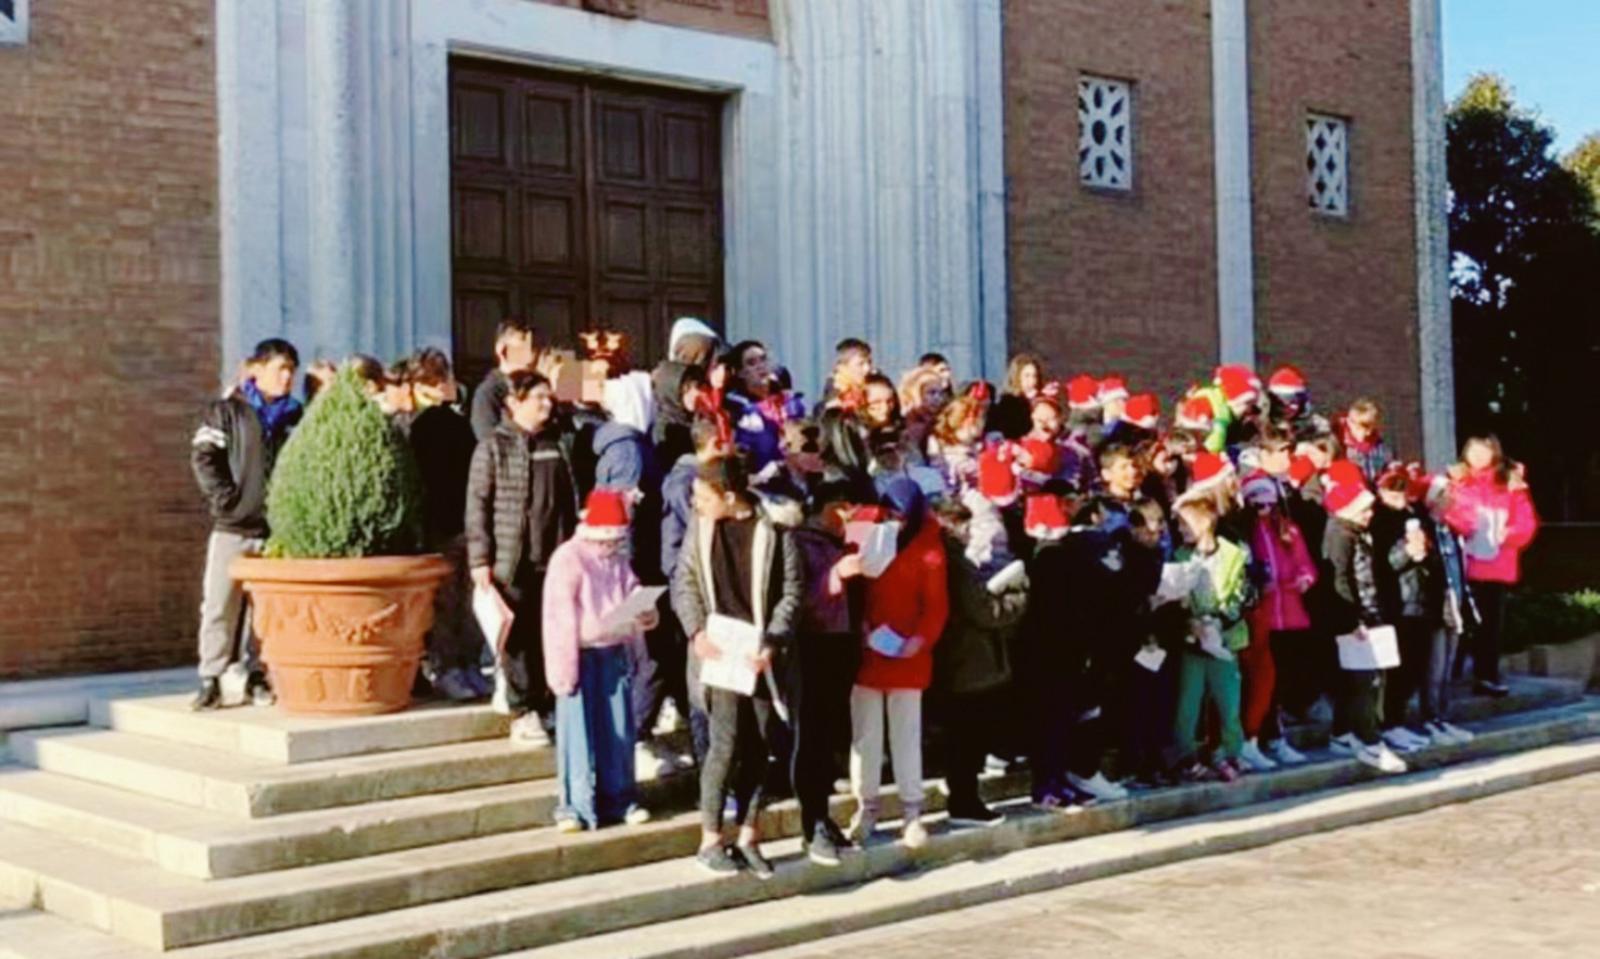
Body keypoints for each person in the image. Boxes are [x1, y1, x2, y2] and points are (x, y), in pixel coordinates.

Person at [673, 456, 803, 880]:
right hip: (719, 652)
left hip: (760, 653)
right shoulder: (702, 529)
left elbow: (791, 591)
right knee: (724, 744)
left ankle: (749, 834)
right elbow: (685, 582)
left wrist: (773, 641)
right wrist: (696, 632)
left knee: (761, 745)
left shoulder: (774, 528)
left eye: (704, 498)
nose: (697, 505)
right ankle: (711, 837)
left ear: (729, 497)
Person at [467, 371, 581, 746]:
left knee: (549, 634)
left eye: (549, 398)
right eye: (538, 398)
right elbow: (478, 505)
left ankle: (548, 702)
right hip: (513, 559)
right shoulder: (493, 447)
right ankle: (523, 708)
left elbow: (570, 498)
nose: (546, 405)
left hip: (555, 558)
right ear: (514, 403)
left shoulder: (556, 443)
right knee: (517, 639)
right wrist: (480, 559)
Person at [189, 338, 303, 710]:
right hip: (233, 527)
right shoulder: (227, 411)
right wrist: (228, 500)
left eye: (291, 370)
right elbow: (204, 457)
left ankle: (258, 674)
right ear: (255, 369)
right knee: (220, 603)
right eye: (279, 369)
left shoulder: (294, 416)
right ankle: (212, 676)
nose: (286, 377)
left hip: (275, 532)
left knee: (265, 609)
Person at [541, 489, 660, 832]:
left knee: (618, 729)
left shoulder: (618, 557)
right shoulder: (569, 558)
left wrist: (644, 609)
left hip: (612, 650)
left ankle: (619, 797)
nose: (612, 546)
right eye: (608, 540)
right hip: (578, 653)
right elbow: (557, 616)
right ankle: (574, 805)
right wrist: (563, 669)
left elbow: (631, 587)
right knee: (576, 733)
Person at [850, 476, 949, 848]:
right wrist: (858, 624)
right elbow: (853, 584)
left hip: (908, 652)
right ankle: (867, 807)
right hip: (868, 649)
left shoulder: (929, 546)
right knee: (866, 736)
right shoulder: (866, 529)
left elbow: (936, 606)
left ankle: (912, 810)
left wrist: (920, 640)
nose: (897, 521)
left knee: (906, 735)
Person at [788, 478, 872, 864]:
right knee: (812, 735)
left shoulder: (845, 542)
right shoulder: (799, 542)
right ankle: (812, 820)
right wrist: (835, 577)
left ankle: (824, 815)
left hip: (843, 644)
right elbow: (797, 597)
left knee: (832, 736)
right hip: (813, 646)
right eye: (846, 510)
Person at [932, 496, 1028, 827]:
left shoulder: (949, 558)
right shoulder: (955, 561)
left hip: (962, 659)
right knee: (967, 735)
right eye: (964, 525)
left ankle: (963, 794)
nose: (969, 533)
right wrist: (1017, 598)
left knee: (966, 734)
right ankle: (964, 801)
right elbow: (984, 611)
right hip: (968, 660)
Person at [408, 347, 490, 701]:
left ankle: (462, 665)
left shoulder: (447, 424)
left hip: (454, 525)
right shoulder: (426, 426)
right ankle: (449, 666)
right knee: (448, 603)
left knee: (460, 602)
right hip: (445, 526)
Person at [1320, 463, 1408, 774]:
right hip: (1355, 618)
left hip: (1368, 612)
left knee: (1365, 679)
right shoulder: (1340, 535)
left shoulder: (1356, 533)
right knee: (1364, 680)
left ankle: (1344, 732)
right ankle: (1369, 741)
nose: (1370, 515)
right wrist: (1350, 619)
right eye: (1364, 510)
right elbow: (1340, 580)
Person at [1442, 436, 1538, 698]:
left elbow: (1526, 522)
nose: (1478, 457)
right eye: (1474, 451)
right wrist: (1460, 525)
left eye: (1484, 452)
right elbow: (1444, 511)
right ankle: (1450, 674)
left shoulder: (1510, 483)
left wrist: (1509, 533)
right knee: (1458, 622)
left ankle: (1486, 676)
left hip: (1496, 563)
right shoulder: (1456, 480)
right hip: (1462, 564)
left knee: (1490, 624)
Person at [1167, 496, 1251, 782]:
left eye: (1184, 522)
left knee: (1228, 702)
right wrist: (1190, 622)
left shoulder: (1235, 554)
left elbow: (1245, 594)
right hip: (1192, 641)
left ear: (1205, 522)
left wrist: (1220, 621)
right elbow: (1175, 596)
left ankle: (1230, 753)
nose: (1179, 528)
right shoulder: (1179, 556)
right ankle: (1185, 755)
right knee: (1188, 703)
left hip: (1225, 639)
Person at [1237, 471, 1316, 770]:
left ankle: (1276, 735)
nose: (1265, 509)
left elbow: (1305, 561)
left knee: (1283, 678)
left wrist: (1304, 577)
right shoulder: (1246, 531)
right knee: (1262, 682)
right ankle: (1260, 735)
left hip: (1291, 613)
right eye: (1258, 504)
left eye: (1269, 503)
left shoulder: (1286, 528)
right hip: (1263, 616)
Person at [722, 339, 788, 473]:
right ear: (740, 372)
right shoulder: (737, 408)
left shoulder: (787, 401)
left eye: (763, 359)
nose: (760, 366)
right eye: (751, 363)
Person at [471, 317, 540, 441]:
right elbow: (488, 441)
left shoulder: (539, 388)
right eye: (521, 349)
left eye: (533, 348)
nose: (530, 357)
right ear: (501, 350)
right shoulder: (488, 393)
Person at [990, 353, 1046, 440]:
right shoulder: (1008, 402)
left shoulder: (1041, 399)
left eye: (1035, 376)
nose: (1032, 381)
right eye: (1027, 376)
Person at [1338, 398, 1393, 486]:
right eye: (1362, 428)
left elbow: (1386, 470)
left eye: (1372, 428)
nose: (1367, 433)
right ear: (1349, 422)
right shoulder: (1341, 447)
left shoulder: (1381, 447)